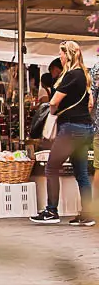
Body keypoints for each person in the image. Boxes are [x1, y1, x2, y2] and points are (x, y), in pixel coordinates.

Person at [31, 41, 95, 226]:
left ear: (67, 55)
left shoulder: (70, 75)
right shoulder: (85, 75)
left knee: (51, 167)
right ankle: (87, 214)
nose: (59, 57)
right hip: (85, 129)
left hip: (70, 129)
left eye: (61, 54)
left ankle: (51, 211)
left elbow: (54, 102)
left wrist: (53, 112)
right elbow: (90, 104)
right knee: (82, 173)